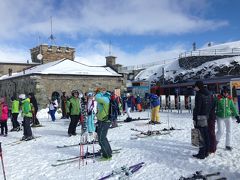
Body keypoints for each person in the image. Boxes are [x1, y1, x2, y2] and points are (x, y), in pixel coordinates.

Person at [215, 86, 240, 151]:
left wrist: (237, 116)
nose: (226, 94)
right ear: (222, 92)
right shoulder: (218, 98)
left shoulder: (229, 98)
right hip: (220, 116)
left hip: (228, 116)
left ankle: (228, 145)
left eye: (227, 93)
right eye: (225, 92)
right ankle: (214, 143)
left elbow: (233, 108)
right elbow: (213, 107)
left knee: (229, 131)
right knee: (220, 131)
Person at [192, 81, 211, 159]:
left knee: (199, 135)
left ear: (198, 86)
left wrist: (194, 118)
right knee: (206, 135)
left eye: (195, 86)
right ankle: (206, 152)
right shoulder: (208, 94)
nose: (194, 88)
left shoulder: (199, 95)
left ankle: (201, 153)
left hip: (199, 117)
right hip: (206, 117)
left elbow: (197, 108)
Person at [95, 88, 112, 160]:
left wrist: (99, 93)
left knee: (101, 139)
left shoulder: (105, 98)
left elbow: (96, 98)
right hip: (102, 120)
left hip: (105, 121)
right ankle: (108, 151)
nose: (96, 94)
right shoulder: (105, 98)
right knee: (103, 137)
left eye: (97, 92)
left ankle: (107, 156)